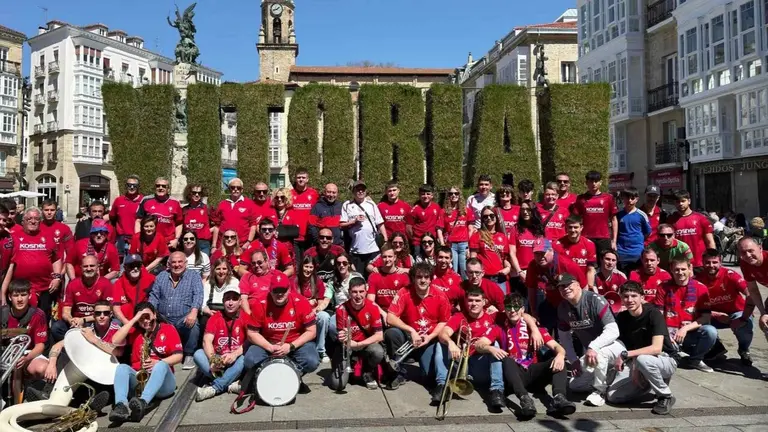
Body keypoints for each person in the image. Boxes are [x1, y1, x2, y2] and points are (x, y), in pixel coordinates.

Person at [496, 292, 575, 418]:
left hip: (533, 370)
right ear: (504, 309)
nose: (512, 310)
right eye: (509, 307)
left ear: (522, 309)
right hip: (515, 374)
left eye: (516, 307)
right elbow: (481, 344)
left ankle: (559, 398)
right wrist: (490, 348)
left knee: (558, 360)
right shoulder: (499, 327)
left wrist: (560, 355)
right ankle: (525, 399)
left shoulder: (537, 330)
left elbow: (557, 347)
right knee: (507, 361)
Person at [607, 281, 678, 415]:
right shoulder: (622, 317)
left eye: (634, 296)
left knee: (643, 360)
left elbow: (657, 348)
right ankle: (649, 382)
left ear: (642, 297)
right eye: (626, 296)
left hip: (665, 359)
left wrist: (626, 355)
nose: (630, 300)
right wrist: (633, 363)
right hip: (638, 359)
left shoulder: (653, 314)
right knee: (613, 396)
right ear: (621, 298)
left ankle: (665, 396)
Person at [383, 262, 450, 404]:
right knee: (391, 333)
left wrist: (430, 337)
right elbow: (390, 317)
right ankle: (398, 372)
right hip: (408, 338)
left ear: (431, 279)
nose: (423, 280)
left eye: (426, 277)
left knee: (428, 377)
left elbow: (444, 322)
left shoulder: (440, 295)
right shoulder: (404, 291)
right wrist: (411, 330)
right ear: (413, 278)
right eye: (419, 277)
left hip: (428, 340)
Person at [32, 300, 124, 401]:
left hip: (104, 373)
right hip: (86, 369)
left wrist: (94, 339)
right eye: (98, 313)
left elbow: (119, 352)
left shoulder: (117, 329)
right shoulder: (87, 330)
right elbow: (57, 346)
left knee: (99, 389)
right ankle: (47, 392)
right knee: (62, 356)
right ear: (94, 315)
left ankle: (89, 401)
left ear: (110, 314)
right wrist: (51, 364)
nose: (102, 316)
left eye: (105, 313)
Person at [244, 272, 320, 394]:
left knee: (311, 360)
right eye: (276, 291)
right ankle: (268, 377)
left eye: (283, 290)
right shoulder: (260, 303)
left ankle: (293, 377)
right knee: (250, 359)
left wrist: (291, 346)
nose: (279, 294)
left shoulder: (300, 302)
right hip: (268, 343)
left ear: (289, 289)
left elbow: (312, 331)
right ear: (270, 290)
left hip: (294, 343)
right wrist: (269, 347)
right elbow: (252, 333)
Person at [556, 273, 624, 407]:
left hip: (615, 347)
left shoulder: (594, 300)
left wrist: (593, 346)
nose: (565, 289)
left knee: (600, 354)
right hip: (591, 353)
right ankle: (610, 376)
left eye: (568, 285)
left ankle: (600, 392)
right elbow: (564, 338)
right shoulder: (562, 308)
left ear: (577, 284)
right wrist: (573, 360)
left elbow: (613, 330)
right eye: (561, 287)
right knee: (575, 385)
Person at [109, 302, 182, 423]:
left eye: (147, 316)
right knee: (122, 367)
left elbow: (179, 356)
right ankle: (120, 406)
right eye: (141, 318)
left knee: (161, 365)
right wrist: (134, 319)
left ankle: (142, 403)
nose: (145, 321)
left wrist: (157, 362)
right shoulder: (136, 332)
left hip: (164, 385)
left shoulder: (168, 329)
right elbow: (115, 340)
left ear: (154, 315)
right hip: (141, 381)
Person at [438, 287, 505, 410]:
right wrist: (451, 343)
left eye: (477, 300)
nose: (473, 304)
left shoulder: (492, 316)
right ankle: (442, 386)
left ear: (484, 302)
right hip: (463, 363)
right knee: (440, 344)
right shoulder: (459, 316)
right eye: (470, 300)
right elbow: (443, 333)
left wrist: (533, 326)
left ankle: (497, 390)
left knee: (495, 346)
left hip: (480, 364)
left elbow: (519, 314)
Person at [652, 258, 717, 373]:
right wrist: (665, 335)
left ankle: (695, 359)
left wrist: (685, 329)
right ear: (671, 270)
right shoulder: (663, 287)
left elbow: (706, 317)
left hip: (689, 331)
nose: (680, 273)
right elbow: (658, 315)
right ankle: (671, 353)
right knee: (661, 361)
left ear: (690, 269)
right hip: (668, 332)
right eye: (676, 270)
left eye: (683, 269)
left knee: (710, 331)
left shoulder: (700, 288)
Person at [1, 208, 62, 319]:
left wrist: (57, 277)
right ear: (23, 221)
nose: (33, 221)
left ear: (40, 221)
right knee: (20, 320)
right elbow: (9, 265)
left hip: (44, 288)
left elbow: (57, 259)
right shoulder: (13, 238)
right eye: (29, 218)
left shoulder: (49, 236)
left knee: (42, 318)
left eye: (36, 219)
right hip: (20, 289)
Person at [695, 249, 753, 365]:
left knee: (746, 324)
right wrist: (714, 314)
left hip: (735, 313)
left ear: (720, 262)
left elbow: (751, 295)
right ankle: (716, 347)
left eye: (714, 262)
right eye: (707, 262)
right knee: (693, 321)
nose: (711, 265)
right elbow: (691, 306)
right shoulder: (698, 279)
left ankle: (744, 349)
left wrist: (743, 318)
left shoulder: (730, 275)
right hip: (711, 315)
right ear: (702, 262)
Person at [149, 251, 204, 370]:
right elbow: (154, 296)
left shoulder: (193, 275)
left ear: (185, 263)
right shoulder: (161, 276)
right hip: (164, 319)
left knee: (194, 325)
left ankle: (189, 354)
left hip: (183, 318)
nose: (177, 265)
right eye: (173, 262)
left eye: (180, 262)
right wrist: (151, 312)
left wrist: (194, 311)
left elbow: (198, 295)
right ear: (168, 264)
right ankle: (161, 355)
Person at [329, 276, 386, 391]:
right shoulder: (341, 309)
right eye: (354, 292)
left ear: (366, 292)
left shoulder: (373, 308)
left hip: (364, 344)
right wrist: (343, 338)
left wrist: (359, 345)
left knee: (378, 352)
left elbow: (379, 336)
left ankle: (367, 371)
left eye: (361, 291)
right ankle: (346, 366)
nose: (358, 295)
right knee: (337, 385)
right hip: (348, 346)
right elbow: (342, 335)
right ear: (349, 292)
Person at [194, 284, 248, 401]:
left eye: (234, 299)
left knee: (245, 358)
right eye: (227, 299)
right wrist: (213, 360)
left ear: (240, 302)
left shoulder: (245, 317)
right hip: (218, 360)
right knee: (198, 354)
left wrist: (234, 355)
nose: (230, 302)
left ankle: (215, 388)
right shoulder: (215, 317)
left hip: (235, 359)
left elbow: (249, 341)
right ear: (223, 301)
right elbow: (206, 341)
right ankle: (229, 381)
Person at [526, 238, 586, 332]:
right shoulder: (533, 265)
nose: (540, 257)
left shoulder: (567, 265)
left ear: (551, 251)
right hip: (551, 302)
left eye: (543, 253)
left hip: (569, 304)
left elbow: (584, 285)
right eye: (536, 254)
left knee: (568, 334)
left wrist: (582, 310)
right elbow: (531, 287)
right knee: (542, 331)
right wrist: (533, 311)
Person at [51, 255, 112, 342]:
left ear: (98, 267)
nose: (88, 268)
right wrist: (71, 320)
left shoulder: (106, 284)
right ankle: (70, 347)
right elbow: (66, 311)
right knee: (56, 327)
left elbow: (108, 312)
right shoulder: (73, 284)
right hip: (76, 322)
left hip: (96, 321)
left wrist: (83, 320)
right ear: (81, 268)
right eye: (85, 266)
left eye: (92, 266)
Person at [1, 280, 49, 388]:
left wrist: (26, 358)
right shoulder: (2, 313)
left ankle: (29, 389)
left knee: (43, 368)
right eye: (15, 295)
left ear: (29, 295)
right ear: (9, 297)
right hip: (5, 353)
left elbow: (40, 345)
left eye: (23, 295)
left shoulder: (38, 314)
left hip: (28, 354)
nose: (19, 299)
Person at [341, 180, 387, 274]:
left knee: (374, 276)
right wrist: (354, 221)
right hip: (356, 250)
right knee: (358, 277)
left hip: (373, 249)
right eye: (358, 189)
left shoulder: (371, 204)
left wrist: (385, 242)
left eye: (363, 189)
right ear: (353, 191)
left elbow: (380, 223)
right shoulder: (347, 205)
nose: (360, 191)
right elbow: (341, 225)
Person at [666, 190, 716, 271]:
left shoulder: (701, 218)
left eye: (683, 201)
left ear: (689, 201)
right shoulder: (670, 220)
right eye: (677, 201)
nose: (680, 204)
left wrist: (713, 259)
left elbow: (710, 241)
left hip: (699, 264)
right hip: (680, 265)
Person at [573, 170, 619, 257]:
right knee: (588, 265)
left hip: (604, 238)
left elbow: (614, 220)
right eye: (591, 181)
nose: (593, 184)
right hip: (586, 237)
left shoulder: (608, 198)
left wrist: (614, 241)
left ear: (600, 182)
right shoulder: (580, 199)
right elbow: (576, 220)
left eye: (596, 181)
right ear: (586, 183)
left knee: (605, 264)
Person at [469, 206, 513, 294]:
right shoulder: (476, 236)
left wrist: (508, 268)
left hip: (500, 278)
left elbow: (505, 259)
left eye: (492, 216)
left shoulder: (503, 237)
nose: (489, 218)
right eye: (485, 216)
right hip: (484, 277)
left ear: (496, 218)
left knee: (502, 304)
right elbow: (473, 259)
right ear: (482, 219)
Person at [295, 256, 331, 361]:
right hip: (298, 314)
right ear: (301, 266)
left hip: (313, 312)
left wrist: (314, 310)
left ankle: (321, 350)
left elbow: (320, 304)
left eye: (311, 267)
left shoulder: (317, 281)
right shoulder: (294, 280)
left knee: (324, 316)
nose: (308, 270)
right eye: (306, 266)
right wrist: (308, 302)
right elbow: (294, 302)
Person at [135, 177, 183, 250]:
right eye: (158, 186)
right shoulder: (146, 200)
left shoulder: (175, 202)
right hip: (149, 242)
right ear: (155, 187)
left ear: (168, 189)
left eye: (164, 186)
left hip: (168, 243)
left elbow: (179, 223)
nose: (160, 188)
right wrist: (138, 238)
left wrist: (176, 239)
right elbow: (138, 220)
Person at [239, 249, 290, 315]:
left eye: (259, 262)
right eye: (253, 263)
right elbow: (243, 299)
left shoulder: (277, 275)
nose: (256, 265)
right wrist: (250, 315)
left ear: (266, 261)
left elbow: (287, 295)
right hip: (254, 314)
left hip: (275, 314)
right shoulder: (246, 277)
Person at [110, 254, 156, 326]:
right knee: (115, 323)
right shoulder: (118, 283)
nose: (135, 268)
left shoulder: (151, 280)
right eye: (131, 266)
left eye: (138, 265)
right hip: (126, 321)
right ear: (125, 267)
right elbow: (116, 308)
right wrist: (127, 324)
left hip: (146, 320)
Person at [509, 200, 543, 295]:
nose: (525, 212)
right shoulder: (515, 229)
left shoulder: (541, 229)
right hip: (520, 273)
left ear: (533, 211)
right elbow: (512, 252)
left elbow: (544, 252)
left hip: (537, 273)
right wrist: (519, 272)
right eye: (522, 209)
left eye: (528, 209)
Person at [367, 244, 411, 318]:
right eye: (384, 257)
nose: (387, 260)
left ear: (395, 257)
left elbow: (407, 301)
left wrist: (394, 318)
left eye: (390, 256)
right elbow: (370, 301)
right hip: (380, 314)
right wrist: (384, 314)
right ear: (381, 258)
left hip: (398, 315)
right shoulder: (374, 276)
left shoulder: (403, 276)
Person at [736, 237, 768, 338]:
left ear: (760, 248)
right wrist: (763, 313)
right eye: (743, 252)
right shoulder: (745, 263)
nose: (748, 255)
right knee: (765, 324)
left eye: (750, 251)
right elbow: (753, 290)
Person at [215, 178, 257, 252]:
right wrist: (213, 246)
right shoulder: (222, 204)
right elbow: (217, 226)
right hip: (223, 246)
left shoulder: (249, 204)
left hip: (242, 246)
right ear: (229, 189)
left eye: (238, 188)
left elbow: (253, 225)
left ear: (242, 190)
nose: (235, 189)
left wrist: (248, 242)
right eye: (233, 187)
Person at [554, 215, 597, 287]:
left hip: (582, 286)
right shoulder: (556, 245)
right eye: (570, 227)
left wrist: (589, 288)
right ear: (566, 228)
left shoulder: (590, 245)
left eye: (575, 227)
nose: (573, 230)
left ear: (581, 228)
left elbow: (590, 270)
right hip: (564, 286)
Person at [616, 187, 651, 274]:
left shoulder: (641, 215)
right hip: (621, 254)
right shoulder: (618, 214)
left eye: (632, 198)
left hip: (637, 254)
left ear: (637, 199)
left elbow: (647, 232)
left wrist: (637, 240)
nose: (629, 200)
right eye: (627, 198)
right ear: (623, 198)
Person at [438, 185, 470, 279]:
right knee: (452, 270)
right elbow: (439, 229)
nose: (454, 195)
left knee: (465, 271)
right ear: (448, 196)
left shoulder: (466, 211)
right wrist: (443, 244)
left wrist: (469, 246)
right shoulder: (443, 211)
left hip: (464, 244)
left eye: (456, 193)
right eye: (451, 193)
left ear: (460, 195)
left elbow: (471, 228)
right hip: (451, 245)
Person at [109, 174, 143, 258]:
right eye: (129, 185)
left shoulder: (143, 201)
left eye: (134, 185)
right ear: (126, 186)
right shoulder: (119, 200)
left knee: (134, 265)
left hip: (137, 239)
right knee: (120, 266)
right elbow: (111, 217)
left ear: (138, 186)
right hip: (121, 239)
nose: (131, 187)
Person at [289, 168, 319, 261]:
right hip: (294, 237)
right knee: (297, 265)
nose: (301, 179)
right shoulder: (289, 194)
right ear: (295, 179)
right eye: (298, 177)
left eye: (303, 177)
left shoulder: (313, 193)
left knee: (308, 263)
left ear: (307, 179)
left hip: (309, 236)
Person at [407, 184, 443, 256]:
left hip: (432, 241)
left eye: (428, 194)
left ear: (432, 195)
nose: (425, 196)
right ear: (419, 196)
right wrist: (414, 239)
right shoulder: (414, 209)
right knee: (418, 263)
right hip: (418, 242)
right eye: (423, 194)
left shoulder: (437, 207)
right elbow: (408, 227)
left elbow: (439, 224)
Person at [182, 183, 215, 256]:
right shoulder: (184, 210)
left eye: (199, 193)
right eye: (194, 193)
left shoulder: (207, 208)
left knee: (203, 265)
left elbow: (217, 224)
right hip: (188, 242)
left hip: (203, 243)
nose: (197, 195)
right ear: (189, 193)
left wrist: (207, 231)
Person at [39, 199, 75, 264]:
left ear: (56, 211)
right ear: (42, 211)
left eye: (52, 210)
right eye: (46, 210)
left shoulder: (64, 228)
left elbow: (70, 253)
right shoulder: (37, 227)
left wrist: (64, 269)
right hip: (40, 267)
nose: (49, 212)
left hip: (58, 269)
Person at [378, 181, 411, 246]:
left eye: (394, 190)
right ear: (386, 192)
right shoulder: (380, 207)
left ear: (398, 190)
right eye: (389, 191)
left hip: (402, 241)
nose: (392, 193)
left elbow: (409, 225)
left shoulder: (406, 206)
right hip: (387, 241)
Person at [272, 187, 300, 259]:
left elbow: (295, 231)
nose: (279, 199)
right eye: (277, 197)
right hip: (273, 247)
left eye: (282, 197)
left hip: (288, 248)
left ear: (287, 198)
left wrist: (278, 232)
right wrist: (286, 229)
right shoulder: (270, 211)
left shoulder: (293, 212)